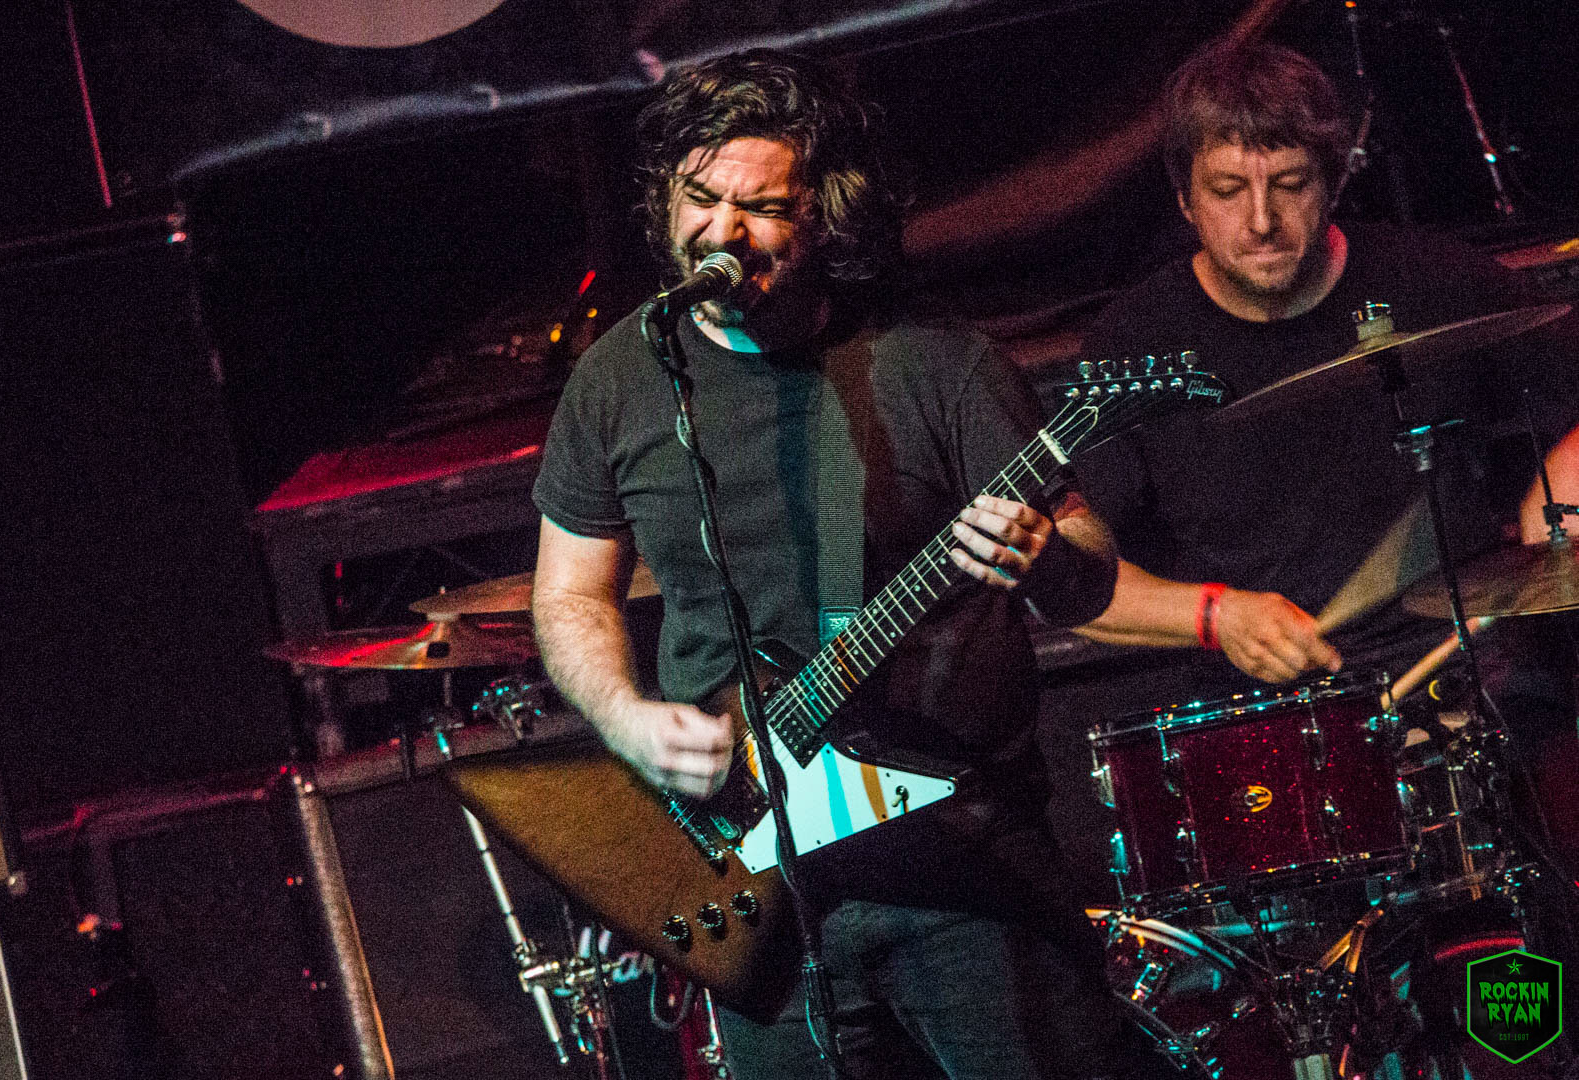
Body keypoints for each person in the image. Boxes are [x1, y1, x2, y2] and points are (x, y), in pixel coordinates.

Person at [530, 49, 1157, 1080]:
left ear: (828, 216)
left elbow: (1088, 571)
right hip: (757, 886)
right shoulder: (619, 379)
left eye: (762, 208)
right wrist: (628, 719)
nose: (722, 233)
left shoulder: (937, 363)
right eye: (699, 199)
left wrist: (1043, 552)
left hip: (965, 871)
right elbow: (567, 595)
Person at [1067, 38, 1579, 1065]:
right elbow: (1073, 583)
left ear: (1336, 177)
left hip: (1464, 701)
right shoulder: (1133, 347)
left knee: (1519, 1019)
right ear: (1183, 197)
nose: (1261, 221)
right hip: (1269, 753)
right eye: (1228, 190)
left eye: (1290, 184)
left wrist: (1556, 496)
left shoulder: (1434, 282)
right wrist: (1213, 614)